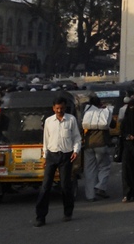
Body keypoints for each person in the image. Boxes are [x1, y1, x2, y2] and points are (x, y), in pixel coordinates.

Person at [33, 96, 80, 227]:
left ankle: (68, 212)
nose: (59, 110)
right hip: (51, 156)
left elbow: (77, 137)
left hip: (66, 156)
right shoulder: (48, 121)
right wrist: (44, 156)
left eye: (62, 108)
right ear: (53, 108)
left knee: (65, 185)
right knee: (45, 186)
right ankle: (40, 217)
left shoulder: (71, 120)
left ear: (65, 108)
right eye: (57, 108)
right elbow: (46, 140)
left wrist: (76, 151)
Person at [80, 94, 114, 201]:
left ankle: (90, 196)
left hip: (88, 145)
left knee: (89, 170)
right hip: (101, 144)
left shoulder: (86, 112)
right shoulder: (104, 113)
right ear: (100, 104)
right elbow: (113, 125)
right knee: (104, 167)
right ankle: (100, 187)